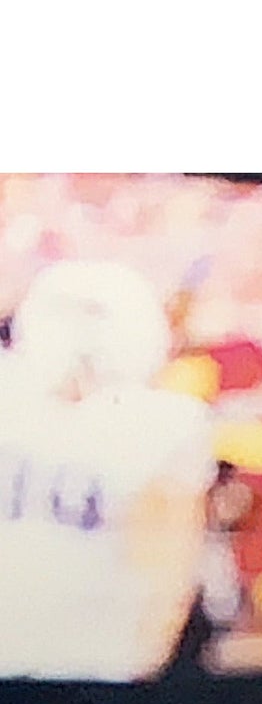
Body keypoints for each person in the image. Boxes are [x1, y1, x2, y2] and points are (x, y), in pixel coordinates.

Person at [0, 257, 216, 681]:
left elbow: (165, 572)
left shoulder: (163, 422)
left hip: (89, 659)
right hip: (90, 664)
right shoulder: (166, 421)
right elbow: (167, 575)